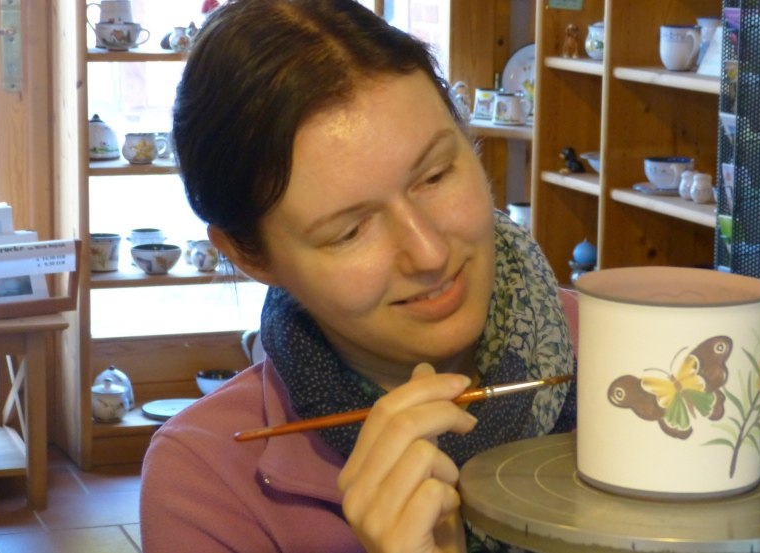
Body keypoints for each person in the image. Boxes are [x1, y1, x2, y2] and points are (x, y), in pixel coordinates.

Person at [140, 1, 576, 551]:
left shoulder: (638, 360)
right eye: (349, 232)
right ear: (252, 258)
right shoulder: (207, 481)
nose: (428, 254)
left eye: (436, 175)